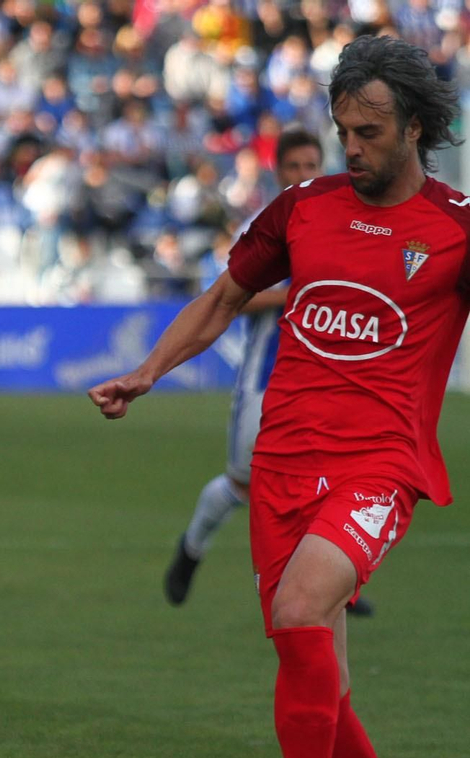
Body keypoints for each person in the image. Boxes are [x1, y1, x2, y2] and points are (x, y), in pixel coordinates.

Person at [88, 35, 456, 758]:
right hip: (283, 465)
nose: (352, 148)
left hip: (379, 467)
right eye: (343, 132)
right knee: (315, 677)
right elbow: (221, 298)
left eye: (369, 131)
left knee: (300, 615)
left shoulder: (456, 226)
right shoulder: (301, 208)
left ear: (413, 126)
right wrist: (149, 369)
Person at [164, 129, 379, 615]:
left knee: (333, 480)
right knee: (242, 484)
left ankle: (336, 588)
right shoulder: (266, 224)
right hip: (266, 378)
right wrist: (296, 294)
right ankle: (191, 550)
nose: (302, 175)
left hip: (329, 379)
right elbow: (231, 298)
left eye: (310, 166)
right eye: (293, 167)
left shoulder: (339, 223)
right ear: (277, 171)